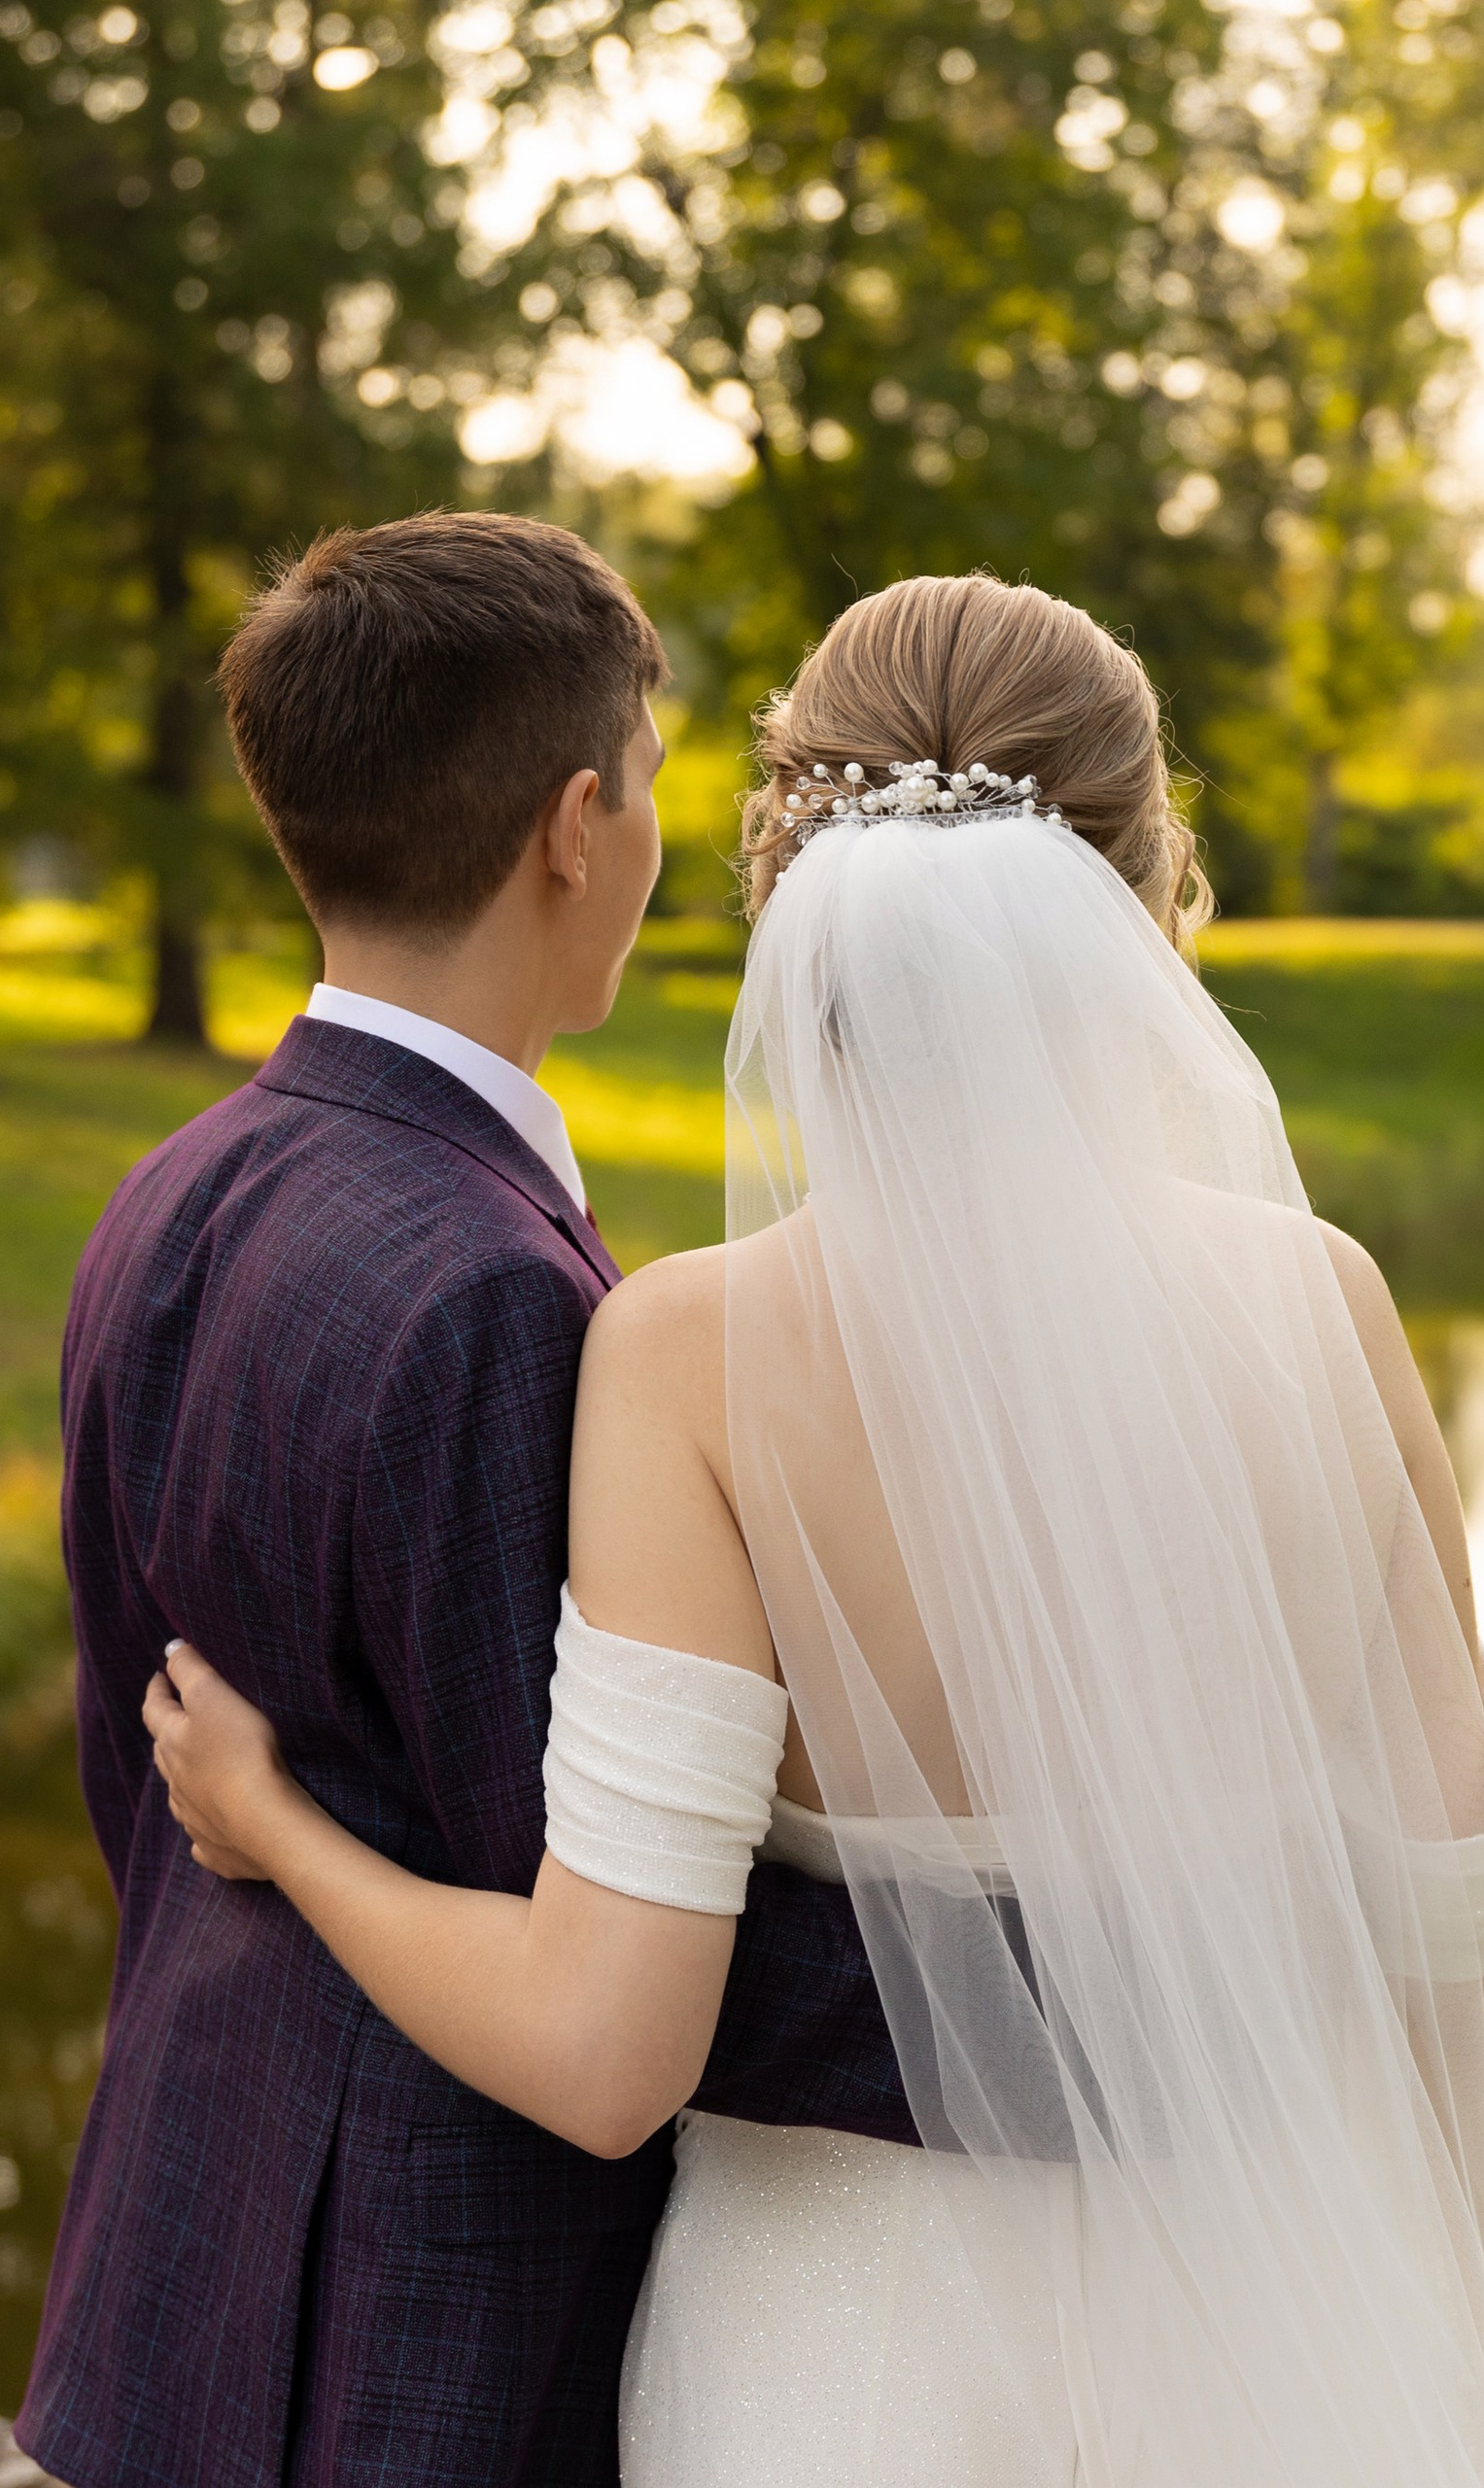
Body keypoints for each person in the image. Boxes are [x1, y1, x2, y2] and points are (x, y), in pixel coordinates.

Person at [139, 574, 1484, 2488]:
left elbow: (602, 2047)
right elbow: (1454, 1970)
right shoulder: (1322, 1307)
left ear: (786, 896)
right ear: (1149, 904)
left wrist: (276, 1825)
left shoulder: (687, 1359)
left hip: (835, 2381)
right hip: (1285, 2358)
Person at [17, 516, 912, 2488]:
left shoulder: (162, 1194)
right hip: (413, 2344)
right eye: (664, 786)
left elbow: (134, 1786)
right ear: (575, 824)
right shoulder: (500, 1298)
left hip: (163, 2278)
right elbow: (603, 1923)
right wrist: (1106, 2022)